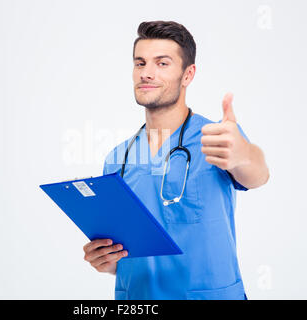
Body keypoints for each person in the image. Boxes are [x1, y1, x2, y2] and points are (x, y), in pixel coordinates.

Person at [83, 20, 269, 300]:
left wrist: (244, 153)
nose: (147, 73)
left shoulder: (217, 138)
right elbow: (124, 254)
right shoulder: (118, 158)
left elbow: (258, 174)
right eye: (140, 63)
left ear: (188, 74)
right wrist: (106, 260)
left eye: (162, 63)